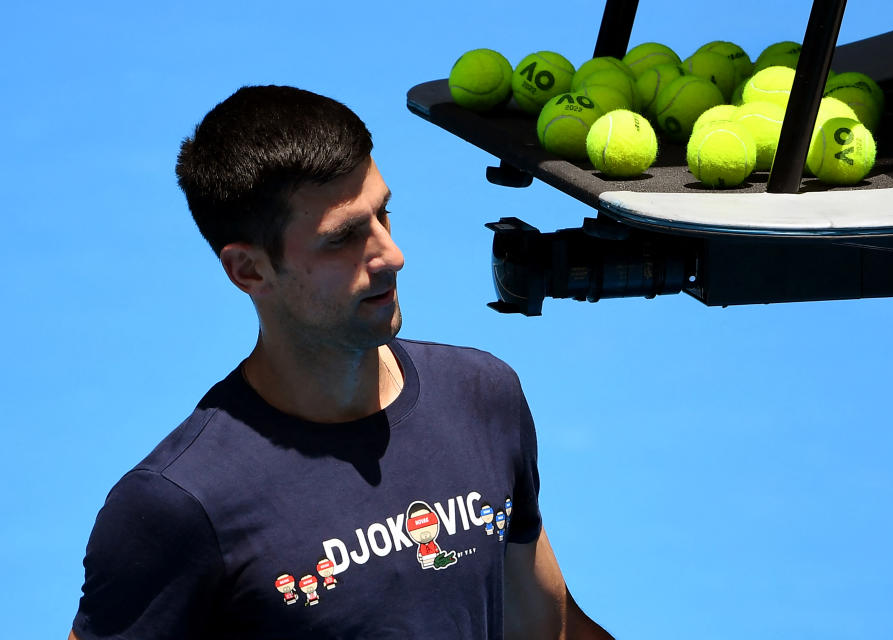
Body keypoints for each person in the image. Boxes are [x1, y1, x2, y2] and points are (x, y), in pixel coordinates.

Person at [69, 85, 611, 639]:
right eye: (344, 238)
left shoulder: (482, 396)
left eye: (383, 214)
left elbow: (547, 629)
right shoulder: (176, 506)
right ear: (249, 271)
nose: (391, 255)